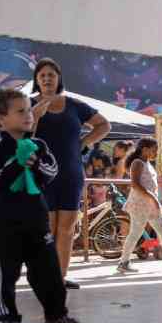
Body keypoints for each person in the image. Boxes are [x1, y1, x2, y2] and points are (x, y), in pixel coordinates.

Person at [0, 88, 84, 323]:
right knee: (6, 274)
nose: (29, 115)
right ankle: (8, 319)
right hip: (6, 224)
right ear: (0, 118)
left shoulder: (38, 145)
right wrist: (18, 163)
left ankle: (56, 313)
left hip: (37, 220)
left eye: (29, 109)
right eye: (21, 111)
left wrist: (34, 163)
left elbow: (51, 172)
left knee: (48, 271)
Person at [30, 58, 111, 289]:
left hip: (70, 173)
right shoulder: (27, 103)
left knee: (66, 228)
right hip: (41, 174)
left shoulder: (74, 105)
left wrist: (84, 142)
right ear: (36, 80)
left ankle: (60, 277)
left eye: (51, 75)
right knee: (45, 228)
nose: (47, 79)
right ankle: (42, 276)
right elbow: (23, 134)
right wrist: (35, 114)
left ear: (59, 79)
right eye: (42, 75)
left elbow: (104, 125)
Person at [114, 137, 162, 274]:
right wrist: (151, 197)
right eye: (154, 150)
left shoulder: (147, 163)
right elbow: (135, 184)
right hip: (141, 203)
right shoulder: (137, 163)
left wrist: (153, 199)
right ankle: (123, 262)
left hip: (150, 204)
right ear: (145, 149)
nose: (156, 153)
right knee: (135, 233)